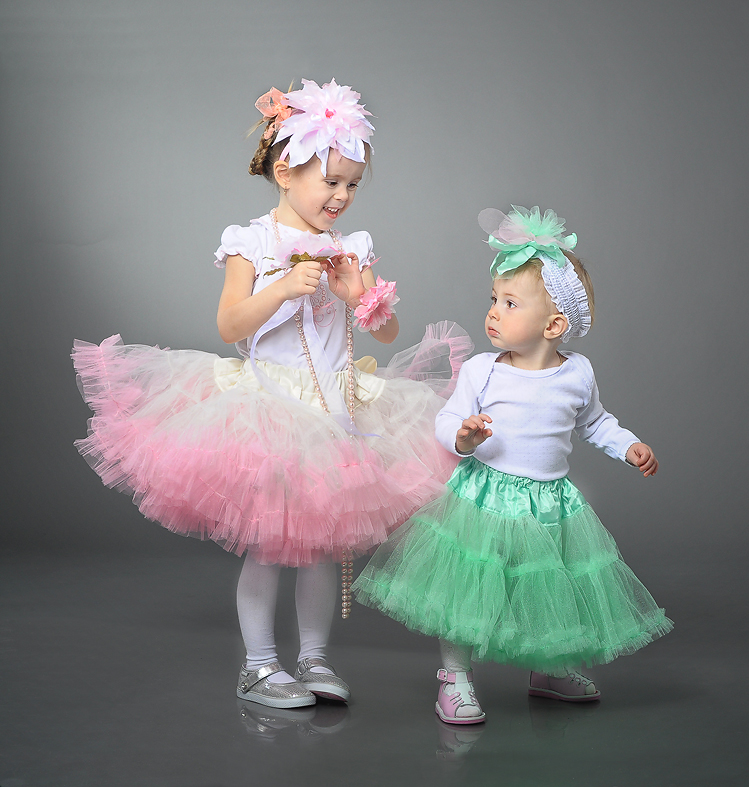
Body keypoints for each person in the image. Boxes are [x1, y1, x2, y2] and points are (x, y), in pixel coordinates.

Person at [72, 79, 471, 710]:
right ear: (285, 172)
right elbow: (229, 324)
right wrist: (281, 289)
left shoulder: (351, 248)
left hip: (336, 409)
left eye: (352, 185)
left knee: (320, 547)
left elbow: (387, 330)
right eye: (330, 182)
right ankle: (258, 666)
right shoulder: (251, 242)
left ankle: (314, 660)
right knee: (269, 544)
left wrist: (357, 298)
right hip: (268, 410)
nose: (341, 197)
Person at [353, 205, 673, 724]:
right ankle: (455, 677)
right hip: (485, 498)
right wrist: (462, 437)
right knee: (466, 588)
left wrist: (628, 445)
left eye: (509, 303)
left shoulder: (577, 374)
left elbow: (595, 422)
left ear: (554, 324)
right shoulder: (483, 370)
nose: (494, 313)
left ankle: (548, 666)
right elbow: (448, 419)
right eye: (493, 300)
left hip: (550, 503)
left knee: (547, 586)